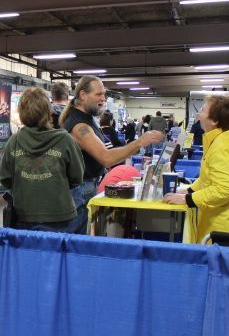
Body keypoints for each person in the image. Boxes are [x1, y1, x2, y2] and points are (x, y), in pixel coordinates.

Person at [59, 76, 164, 233]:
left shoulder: (85, 119)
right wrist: (139, 142)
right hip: (80, 192)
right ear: (82, 95)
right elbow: (106, 158)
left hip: (85, 188)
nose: (103, 98)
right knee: (78, 243)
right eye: (98, 94)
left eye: (104, 95)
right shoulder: (79, 125)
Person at [163, 95, 229, 243]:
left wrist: (187, 199)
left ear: (214, 120)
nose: (199, 113)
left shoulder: (225, 145)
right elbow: (212, 176)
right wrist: (189, 190)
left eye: (203, 109)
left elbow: (224, 189)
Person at [0, 87, 84, 232]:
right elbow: (77, 176)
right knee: (57, 254)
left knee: (28, 254)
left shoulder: (14, 141)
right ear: (49, 111)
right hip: (60, 214)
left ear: (21, 112)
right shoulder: (65, 140)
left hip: (24, 214)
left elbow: (5, 178)